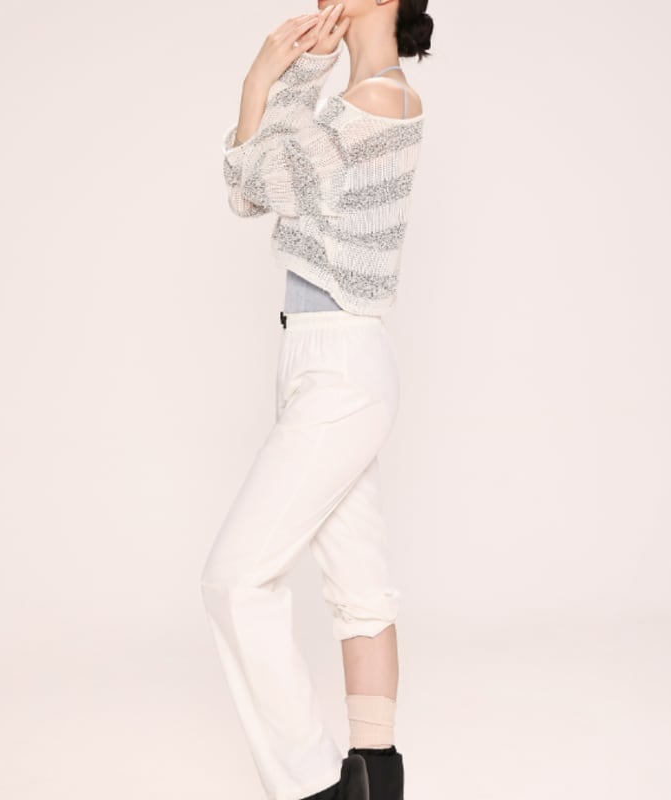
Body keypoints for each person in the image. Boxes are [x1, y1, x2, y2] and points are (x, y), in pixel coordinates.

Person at [200, 2, 433, 798]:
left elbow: (253, 178)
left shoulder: (379, 103)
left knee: (234, 579)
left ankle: (315, 785)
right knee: (360, 589)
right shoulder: (348, 100)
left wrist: (264, 78)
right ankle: (377, 775)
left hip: (341, 364)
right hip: (315, 354)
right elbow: (251, 192)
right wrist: (296, 77)